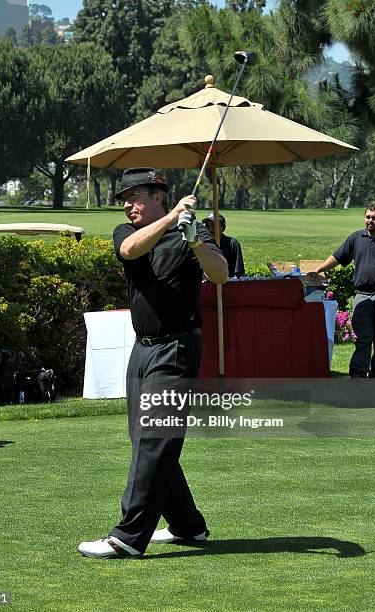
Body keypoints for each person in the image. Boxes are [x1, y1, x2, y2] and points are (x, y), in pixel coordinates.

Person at [78, 168, 228, 558]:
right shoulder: (126, 232)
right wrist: (171, 218)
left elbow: (220, 274)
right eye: (125, 197)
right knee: (148, 441)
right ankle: (188, 526)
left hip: (177, 348)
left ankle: (128, 537)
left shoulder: (190, 231)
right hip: (142, 350)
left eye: (136, 195)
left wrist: (195, 239)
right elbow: (130, 252)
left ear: (158, 194)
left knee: (154, 440)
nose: (128, 203)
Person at [309, 205, 375, 378]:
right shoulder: (356, 237)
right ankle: (358, 376)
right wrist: (318, 269)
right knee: (363, 339)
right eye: (368, 217)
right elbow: (338, 257)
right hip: (361, 296)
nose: (371, 221)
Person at [202, 212, 245, 278]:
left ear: (223, 228)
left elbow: (239, 273)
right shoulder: (201, 244)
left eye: (213, 225)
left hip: (228, 284)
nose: (210, 229)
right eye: (207, 225)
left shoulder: (232, 243)